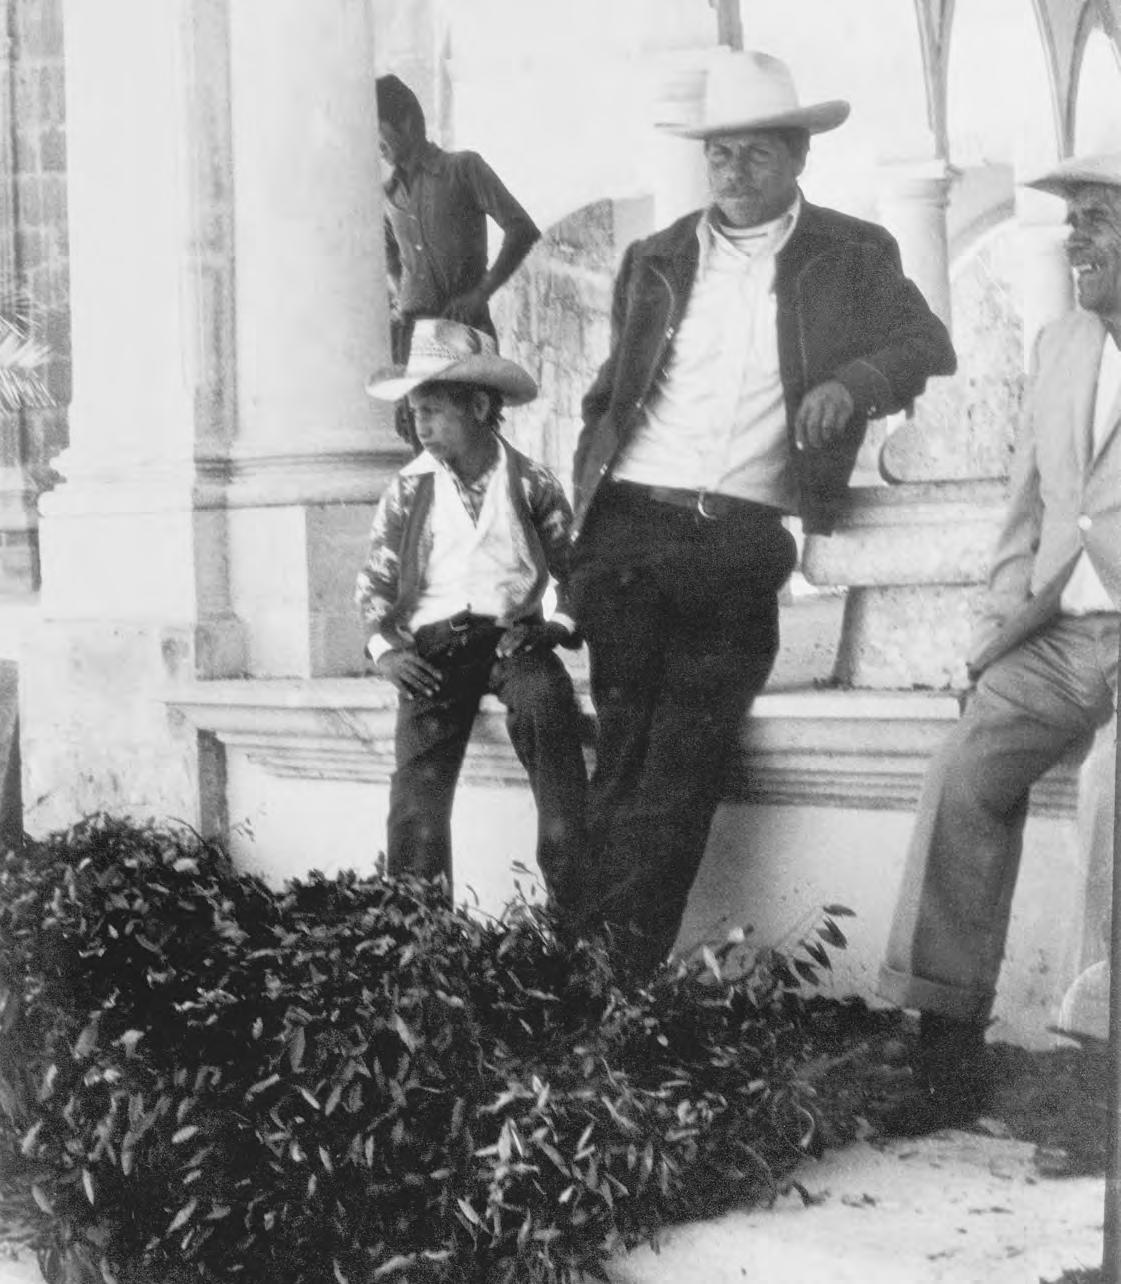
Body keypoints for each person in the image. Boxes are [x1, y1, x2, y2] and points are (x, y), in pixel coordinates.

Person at [565, 50, 956, 975]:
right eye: (719, 154)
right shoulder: (655, 258)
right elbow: (608, 398)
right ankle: (577, 975)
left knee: (682, 763)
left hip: (736, 544)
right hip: (630, 530)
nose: (733, 172)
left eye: (754, 154)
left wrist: (854, 382)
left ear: (797, 158)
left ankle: (615, 980)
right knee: (617, 759)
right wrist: (582, 528)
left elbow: (925, 344)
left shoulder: (850, 253)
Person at [878, 151, 1121, 1133]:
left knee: (1111, 792)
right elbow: (1025, 506)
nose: (1074, 239)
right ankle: (943, 1046)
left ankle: (1100, 1074)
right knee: (963, 768)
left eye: (1098, 219)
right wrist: (989, 638)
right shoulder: (1060, 343)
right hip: (1057, 635)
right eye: (1071, 220)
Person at [356, 317, 587, 904]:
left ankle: (573, 906)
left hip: (514, 640)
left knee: (548, 711)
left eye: (434, 411)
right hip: (434, 650)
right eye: (415, 412)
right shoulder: (409, 490)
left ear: (480, 407)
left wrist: (554, 626)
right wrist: (386, 652)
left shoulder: (531, 483)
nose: (421, 425)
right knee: (418, 790)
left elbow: (576, 571)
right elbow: (376, 583)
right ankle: (418, 924)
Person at [376, 73, 540, 450]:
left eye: (381, 133)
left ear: (407, 123)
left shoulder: (463, 169)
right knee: (420, 440)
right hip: (415, 340)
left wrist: (481, 293)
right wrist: (404, 294)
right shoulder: (388, 196)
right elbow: (388, 252)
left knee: (473, 433)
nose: (378, 147)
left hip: (465, 331)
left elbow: (521, 229)